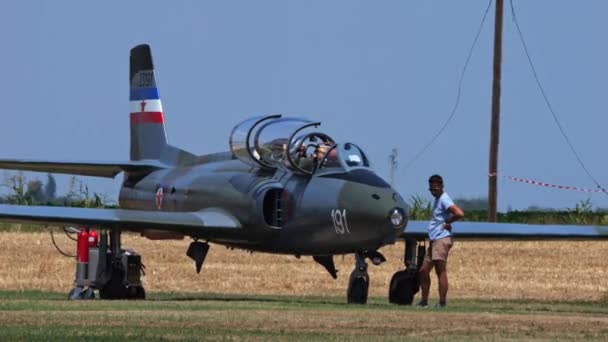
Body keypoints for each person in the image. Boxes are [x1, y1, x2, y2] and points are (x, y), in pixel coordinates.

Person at [417, 174, 464, 308]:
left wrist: (448, 222)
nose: (433, 191)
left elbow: (459, 213)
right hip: (434, 238)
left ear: (442, 187)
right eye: (431, 189)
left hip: (441, 238)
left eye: (436, 189)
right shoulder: (437, 200)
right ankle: (424, 301)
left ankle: (442, 302)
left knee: (440, 270)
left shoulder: (444, 199)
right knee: (423, 270)